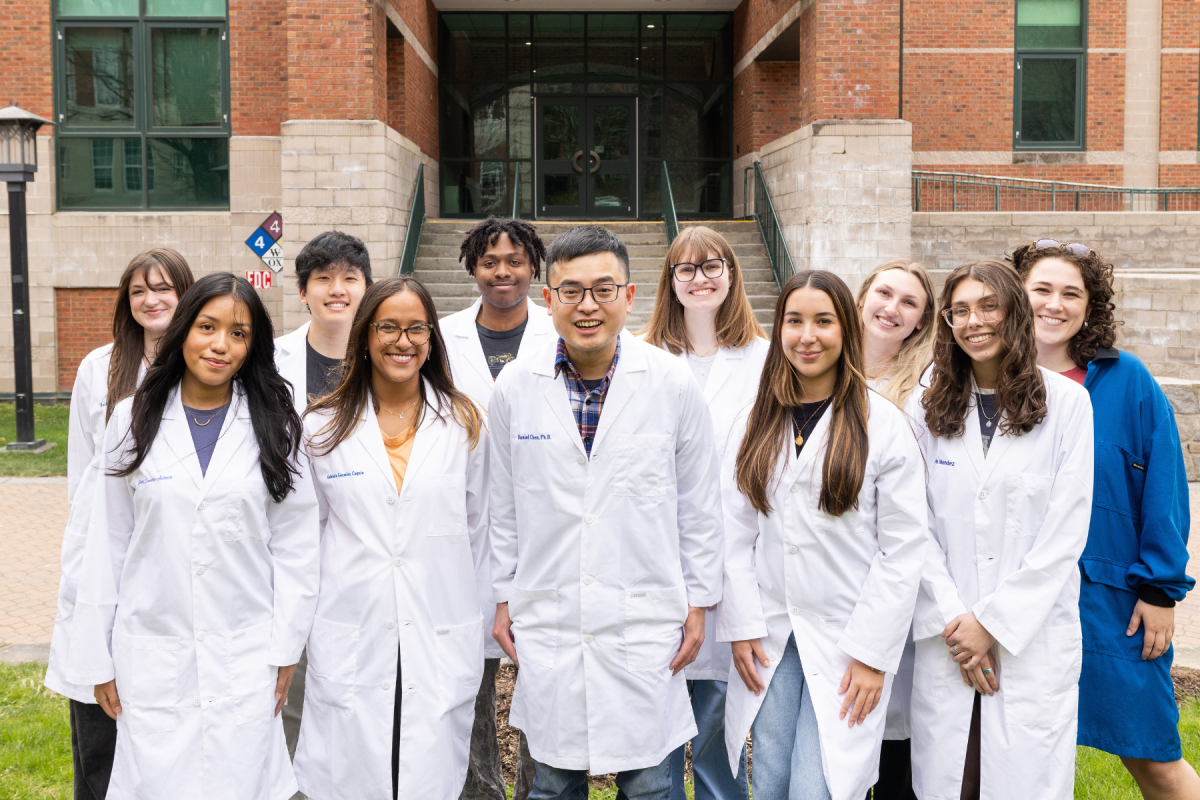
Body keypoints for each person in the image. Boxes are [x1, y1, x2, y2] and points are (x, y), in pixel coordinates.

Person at [488, 225, 723, 798]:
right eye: (570, 291)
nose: (587, 306)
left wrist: (698, 602)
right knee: (554, 782)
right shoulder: (517, 385)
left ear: (630, 295)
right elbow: (503, 507)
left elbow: (699, 505)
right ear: (548, 301)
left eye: (603, 289)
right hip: (551, 617)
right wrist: (501, 597)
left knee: (649, 784)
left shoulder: (671, 383)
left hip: (645, 620)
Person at [66, 273, 319, 800]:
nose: (220, 345)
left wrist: (287, 644)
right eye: (208, 326)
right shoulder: (129, 420)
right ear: (183, 330)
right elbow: (107, 543)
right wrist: (96, 655)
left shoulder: (276, 423)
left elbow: (296, 543)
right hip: (154, 650)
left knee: (244, 781)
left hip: (246, 652)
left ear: (254, 346)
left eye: (239, 333)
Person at [719, 270, 928, 800]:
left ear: (847, 330)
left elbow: (902, 550)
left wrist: (873, 653)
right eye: (794, 321)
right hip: (768, 635)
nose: (806, 335)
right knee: (768, 778)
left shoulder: (883, 425)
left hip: (847, 640)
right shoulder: (754, 421)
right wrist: (742, 625)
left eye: (823, 321)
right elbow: (734, 531)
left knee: (819, 786)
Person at [1012, 240, 1200, 799]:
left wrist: (1161, 590)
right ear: (1016, 296)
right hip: (1015, 600)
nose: (1055, 304)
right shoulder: (989, 379)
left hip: (1112, 600)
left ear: (1090, 308)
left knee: (1153, 756)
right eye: (1041, 289)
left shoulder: (1127, 381)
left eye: (1072, 293)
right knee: (1012, 758)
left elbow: (1163, 489)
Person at [293, 276, 488, 800]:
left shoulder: (465, 423)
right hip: (352, 627)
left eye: (416, 328)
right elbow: (302, 539)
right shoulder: (319, 427)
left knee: (425, 771)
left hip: (438, 625)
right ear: (364, 335)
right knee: (354, 772)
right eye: (389, 327)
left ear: (432, 339)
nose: (403, 341)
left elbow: (483, 531)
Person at [907, 261, 1094, 800]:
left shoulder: (1068, 404)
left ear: (1015, 311)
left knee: (1021, 783)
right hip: (949, 635)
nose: (974, 321)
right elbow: (911, 528)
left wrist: (991, 626)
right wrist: (959, 623)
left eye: (988, 306)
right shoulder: (924, 406)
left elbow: (1065, 533)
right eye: (959, 310)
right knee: (951, 782)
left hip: (1028, 642)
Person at [45, 247, 194, 800]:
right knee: (99, 722)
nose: (151, 300)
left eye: (163, 288)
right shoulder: (98, 368)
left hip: (169, 557)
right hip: (102, 552)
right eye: (138, 291)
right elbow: (81, 477)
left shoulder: (206, 365)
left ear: (185, 293)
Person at [639, 224, 768, 800]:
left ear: (732, 275)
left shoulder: (766, 359)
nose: (700, 278)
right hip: (659, 554)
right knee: (657, 704)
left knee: (720, 709)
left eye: (712, 265)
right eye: (686, 269)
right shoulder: (642, 359)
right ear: (671, 281)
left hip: (741, 554)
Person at [440, 216, 555, 800]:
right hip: (458, 532)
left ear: (534, 266)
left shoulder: (562, 332)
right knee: (468, 685)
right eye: (490, 261)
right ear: (473, 268)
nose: (502, 271)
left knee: (543, 682)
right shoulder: (441, 336)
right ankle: (478, 791)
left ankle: (539, 788)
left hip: (541, 534)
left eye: (514, 260)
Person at [273, 230, 373, 757]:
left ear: (366, 288)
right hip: (286, 545)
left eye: (350, 279)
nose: (337, 289)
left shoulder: (388, 358)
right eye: (323, 279)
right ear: (303, 291)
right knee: (288, 685)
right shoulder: (270, 361)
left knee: (350, 696)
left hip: (359, 548)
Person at [853, 259, 935, 800]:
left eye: (910, 303)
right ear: (861, 297)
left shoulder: (927, 390)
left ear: (921, 323)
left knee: (893, 725)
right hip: (829, 567)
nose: (892, 308)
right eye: (885, 293)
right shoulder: (812, 364)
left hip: (896, 567)